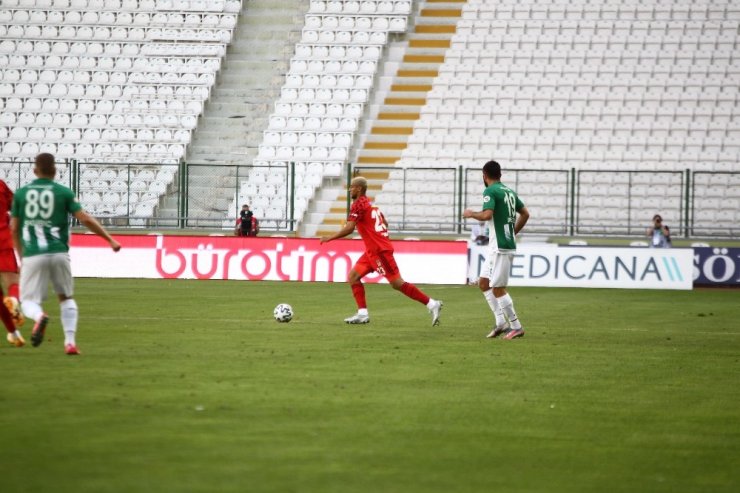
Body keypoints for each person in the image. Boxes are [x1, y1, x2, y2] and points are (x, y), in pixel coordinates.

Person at [10, 153, 121, 355]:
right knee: (66, 297)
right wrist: (109, 239)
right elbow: (84, 218)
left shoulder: (21, 194)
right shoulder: (64, 193)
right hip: (59, 253)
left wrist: (21, 256)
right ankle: (70, 343)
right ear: (55, 171)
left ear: (35, 171)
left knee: (27, 301)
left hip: (33, 254)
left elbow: (13, 228)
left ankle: (40, 316)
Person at [320, 176, 443, 325]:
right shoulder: (370, 205)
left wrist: (330, 238)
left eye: (352, 187)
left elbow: (350, 228)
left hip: (379, 252)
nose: (350, 190)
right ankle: (362, 314)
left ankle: (432, 303)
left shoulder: (358, 204)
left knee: (397, 283)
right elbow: (385, 223)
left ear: (358, 189)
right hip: (372, 251)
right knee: (353, 276)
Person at [463, 160, 530, 339]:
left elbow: (487, 215)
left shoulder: (490, 191)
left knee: (498, 288)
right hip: (498, 246)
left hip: (501, 247)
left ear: (484, 175)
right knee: (483, 283)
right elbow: (525, 214)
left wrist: (471, 214)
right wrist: (512, 232)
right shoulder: (509, 191)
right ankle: (500, 322)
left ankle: (516, 326)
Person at [0, 178, 26, 346]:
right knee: (12, 281)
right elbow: (15, 204)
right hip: (2, 238)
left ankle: (13, 332)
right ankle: (14, 300)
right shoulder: (0, 185)